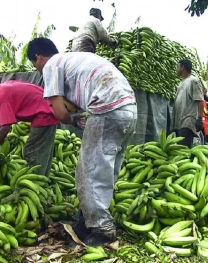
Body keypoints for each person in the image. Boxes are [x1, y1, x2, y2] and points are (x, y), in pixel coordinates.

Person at [27, 37, 137, 246]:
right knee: (105, 171)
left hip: (107, 107)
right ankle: (86, 222)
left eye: (35, 65)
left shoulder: (51, 65)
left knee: (88, 172)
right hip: (129, 109)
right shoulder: (75, 59)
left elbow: (59, 112)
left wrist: (72, 120)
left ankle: (102, 229)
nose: (38, 69)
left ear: (39, 58)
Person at [0, 74, 60, 177]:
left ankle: (36, 183)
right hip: (50, 110)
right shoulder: (3, 88)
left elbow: (6, 127)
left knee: (31, 151)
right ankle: (44, 178)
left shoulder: (2, 95)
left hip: (45, 114)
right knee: (43, 152)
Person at [172, 60, 204, 148]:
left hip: (187, 121)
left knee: (184, 150)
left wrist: (200, 119)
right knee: (180, 149)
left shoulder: (193, 81)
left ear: (183, 67)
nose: (176, 69)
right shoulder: (181, 83)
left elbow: (200, 100)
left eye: (178, 66)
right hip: (180, 121)